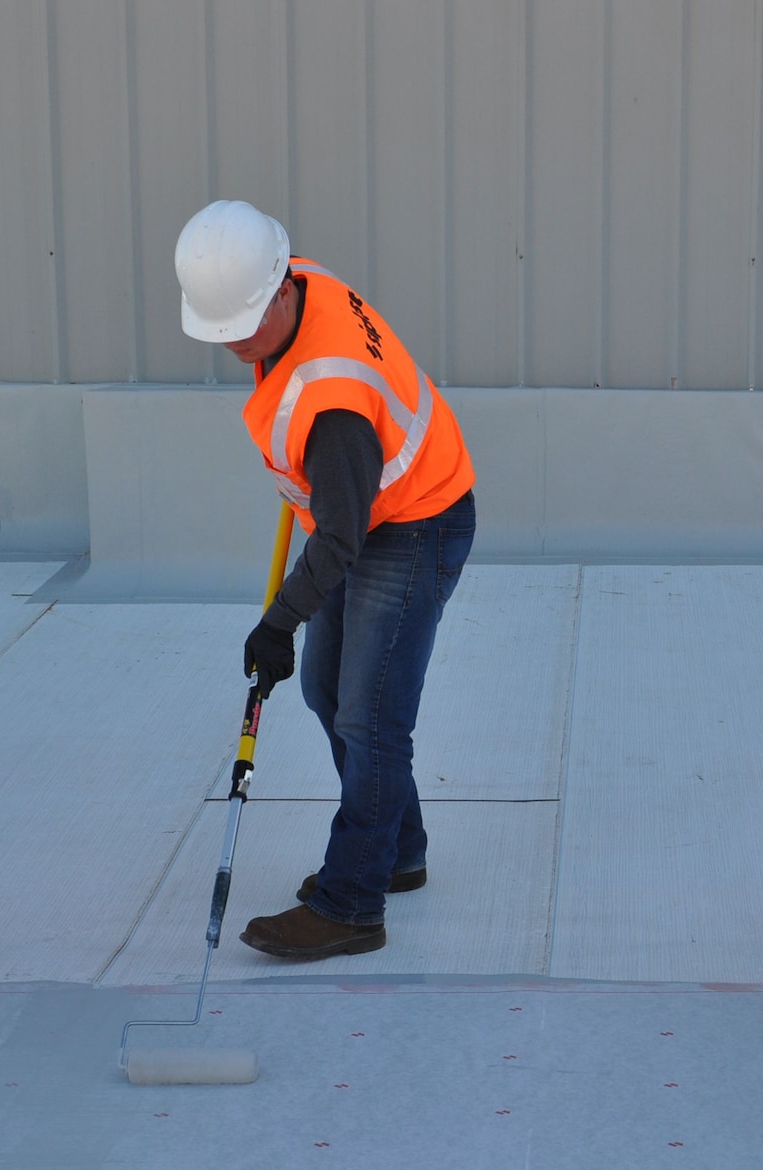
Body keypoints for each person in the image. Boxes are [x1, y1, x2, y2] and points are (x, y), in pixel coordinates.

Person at [174, 200, 476, 960]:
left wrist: (279, 620)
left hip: (413, 524)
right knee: (326, 691)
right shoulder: (294, 284)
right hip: (364, 512)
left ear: (279, 291)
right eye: (222, 331)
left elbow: (341, 536)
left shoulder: (332, 400)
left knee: (368, 719)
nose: (234, 343)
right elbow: (337, 515)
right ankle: (397, 849)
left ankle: (351, 904)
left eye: (241, 325)